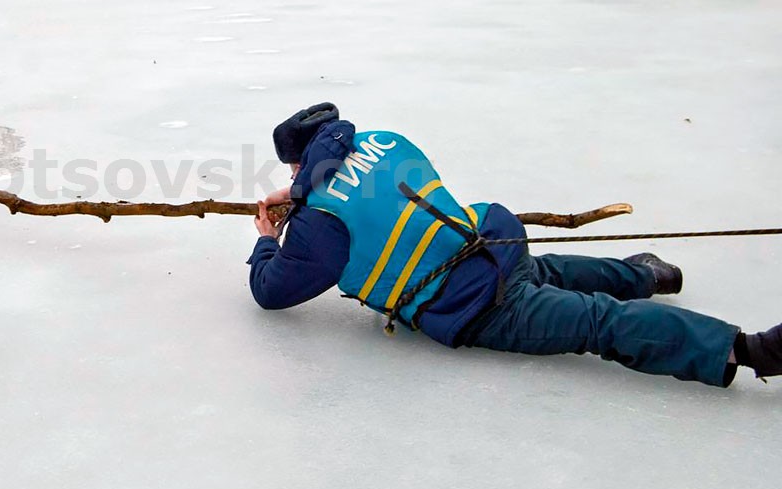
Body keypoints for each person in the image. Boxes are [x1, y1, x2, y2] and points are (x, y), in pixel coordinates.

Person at [247, 102, 782, 387]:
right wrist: (302, 191)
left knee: (596, 322)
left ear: (297, 162)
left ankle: (746, 349)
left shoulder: (318, 223)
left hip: (471, 304)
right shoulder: (386, 141)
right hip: (493, 245)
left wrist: (269, 239)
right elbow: (370, 194)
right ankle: (648, 274)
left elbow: (273, 291)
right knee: (547, 273)